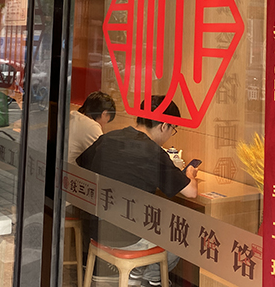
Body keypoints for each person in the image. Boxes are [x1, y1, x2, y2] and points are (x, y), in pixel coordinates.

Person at [77, 95, 198, 287]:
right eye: (173, 129)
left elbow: (82, 163)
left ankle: (124, 272)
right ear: (163, 126)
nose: (170, 135)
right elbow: (191, 192)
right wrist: (190, 174)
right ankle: (149, 276)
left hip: (96, 229)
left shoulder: (109, 138)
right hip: (128, 239)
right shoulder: (153, 151)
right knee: (183, 231)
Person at [68, 91, 116, 163]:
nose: (103, 126)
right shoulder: (91, 126)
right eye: (106, 121)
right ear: (104, 113)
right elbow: (104, 157)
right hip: (70, 169)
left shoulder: (73, 115)